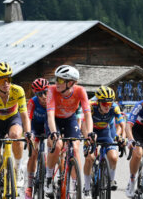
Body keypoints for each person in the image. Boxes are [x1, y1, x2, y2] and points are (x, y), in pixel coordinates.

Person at [0, 62, 32, 199]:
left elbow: (24, 115)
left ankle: (18, 167)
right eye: (2, 80)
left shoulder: (18, 90)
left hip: (12, 118)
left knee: (16, 135)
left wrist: (27, 132)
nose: (6, 83)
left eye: (9, 79)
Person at [44, 65, 93, 197]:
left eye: (60, 80)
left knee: (76, 148)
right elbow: (50, 115)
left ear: (70, 83)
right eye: (56, 79)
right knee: (58, 144)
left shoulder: (80, 91)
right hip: (54, 120)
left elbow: (87, 115)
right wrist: (54, 132)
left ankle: (73, 184)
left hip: (70, 119)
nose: (56, 82)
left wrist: (90, 133)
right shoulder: (52, 90)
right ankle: (48, 177)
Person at [83, 86, 125, 197]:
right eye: (105, 104)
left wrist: (120, 137)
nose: (108, 106)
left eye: (110, 104)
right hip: (91, 130)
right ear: (99, 102)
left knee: (114, 157)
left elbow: (122, 124)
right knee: (90, 158)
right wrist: (88, 136)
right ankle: (87, 186)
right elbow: (83, 123)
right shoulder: (91, 105)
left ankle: (109, 180)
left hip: (105, 131)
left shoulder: (114, 107)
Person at [24, 78, 49, 199]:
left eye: (46, 92)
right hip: (35, 128)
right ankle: (29, 186)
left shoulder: (52, 100)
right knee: (33, 153)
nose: (44, 96)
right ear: (36, 94)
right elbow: (28, 119)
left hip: (48, 127)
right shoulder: (32, 102)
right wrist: (28, 133)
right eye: (40, 94)